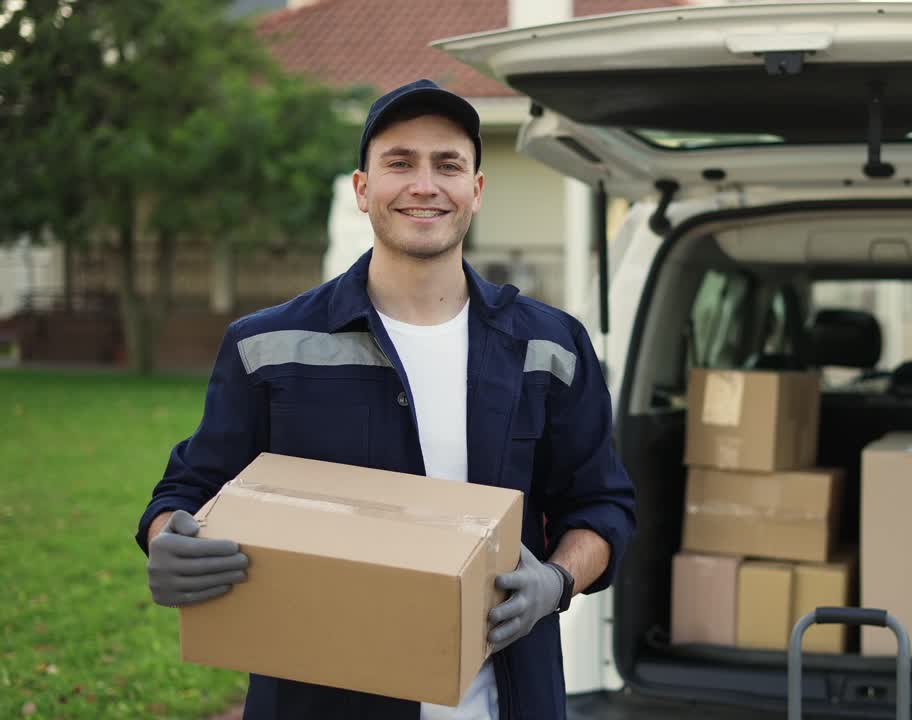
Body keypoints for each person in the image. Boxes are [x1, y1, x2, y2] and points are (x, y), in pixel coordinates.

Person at [135, 78, 636, 720]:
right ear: (362, 188)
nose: (424, 184)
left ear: (475, 191)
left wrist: (558, 579)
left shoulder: (551, 346)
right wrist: (166, 538)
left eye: (447, 164)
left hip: (505, 699)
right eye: (399, 163)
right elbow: (186, 490)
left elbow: (603, 504)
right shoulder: (268, 345)